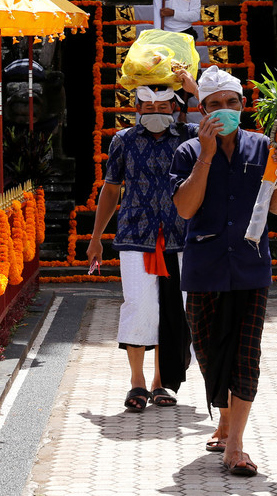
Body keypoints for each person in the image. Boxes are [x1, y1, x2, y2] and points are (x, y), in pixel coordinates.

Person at [170, 66, 277, 477]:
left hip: (250, 266)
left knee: (246, 355)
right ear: (201, 109)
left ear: (243, 106)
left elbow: (276, 207)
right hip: (204, 267)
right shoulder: (187, 152)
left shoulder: (263, 147)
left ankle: (236, 444)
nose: (224, 110)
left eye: (231, 103)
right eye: (214, 105)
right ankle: (224, 420)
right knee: (208, 352)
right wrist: (205, 157)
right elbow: (186, 209)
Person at [87, 72, 199, 412]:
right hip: (136, 235)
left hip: (181, 237)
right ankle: (136, 381)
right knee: (139, 305)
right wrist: (95, 238)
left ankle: (161, 381)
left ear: (177, 108)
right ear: (136, 108)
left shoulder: (192, 137)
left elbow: (223, 138)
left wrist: (195, 93)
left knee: (174, 309)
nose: (154, 111)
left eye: (162, 105)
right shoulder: (124, 140)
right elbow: (111, 187)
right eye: (147, 105)